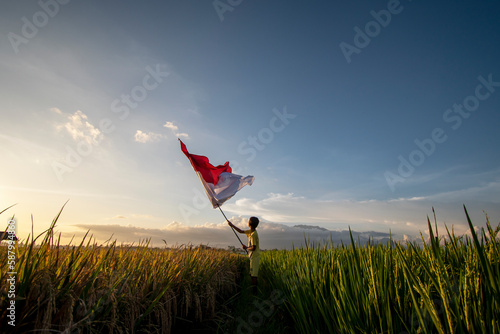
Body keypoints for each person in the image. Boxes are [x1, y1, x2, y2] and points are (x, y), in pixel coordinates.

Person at [228, 217, 260, 293]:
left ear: (249, 224)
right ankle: (254, 289)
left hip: (255, 257)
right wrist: (232, 225)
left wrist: (246, 247)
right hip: (253, 256)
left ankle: (254, 292)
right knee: (252, 274)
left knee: (254, 275)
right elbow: (241, 231)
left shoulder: (253, 235)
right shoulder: (251, 231)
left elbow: (253, 248)